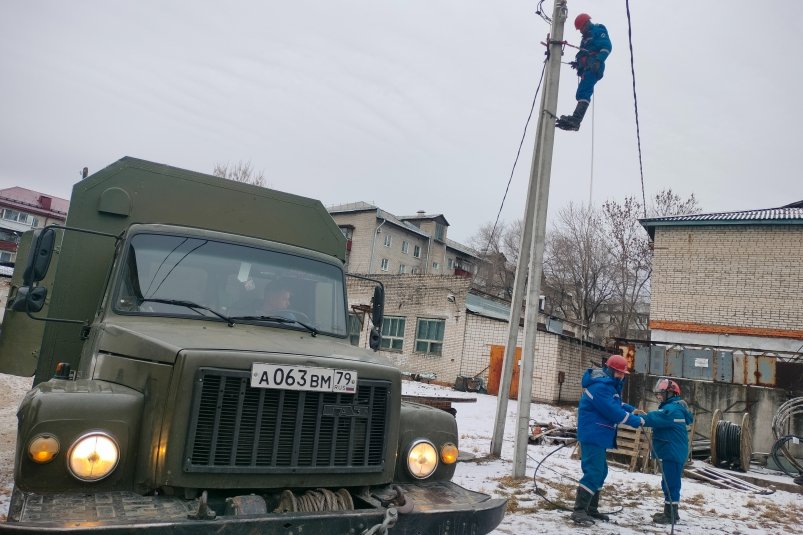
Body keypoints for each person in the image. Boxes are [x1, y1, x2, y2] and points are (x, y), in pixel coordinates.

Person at [572, 354, 644, 526]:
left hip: (599, 434)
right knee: (594, 471)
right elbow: (612, 411)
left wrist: (632, 410)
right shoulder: (600, 387)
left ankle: (591, 509)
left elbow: (617, 404)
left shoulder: (608, 386)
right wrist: (635, 421)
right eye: (619, 373)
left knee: (601, 472)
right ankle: (579, 510)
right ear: (610, 370)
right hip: (593, 434)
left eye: (623, 373)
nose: (621, 376)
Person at [640, 378, 694, 525]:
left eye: (662, 394)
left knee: (671, 484)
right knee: (669, 482)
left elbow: (656, 418)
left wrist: (638, 418)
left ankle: (670, 515)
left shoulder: (672, 410)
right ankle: (671, 512)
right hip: (672, 451)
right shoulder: (673, 407)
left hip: (673, 452)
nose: (659, 397)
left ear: (671, 393)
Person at [556, 13, 612, 132]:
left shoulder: (597, 30)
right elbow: (584, 53)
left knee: (584, 91)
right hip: (588, 67)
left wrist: (598, 60)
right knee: (581, 92)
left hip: (594, 67)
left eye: (581, 28)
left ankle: (576, 120)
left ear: (586, 24)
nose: (581, 31)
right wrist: (578, 64)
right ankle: (575, 120)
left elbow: (606, 46)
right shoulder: (586, 39)